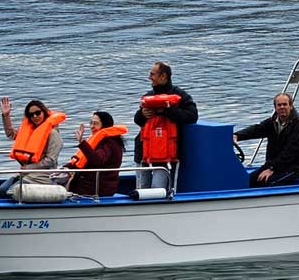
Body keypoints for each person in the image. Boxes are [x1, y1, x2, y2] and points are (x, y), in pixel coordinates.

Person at [134, 61, 198, 190]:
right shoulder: (148, 96)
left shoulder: (181, 96)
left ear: (163, 76)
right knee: (142, 188)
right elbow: (138, 120)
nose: (149, 77)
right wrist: (143, 113)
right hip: (144, 153)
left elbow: (192, 117)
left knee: (159, 189)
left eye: (152, 74)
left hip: (166, 155)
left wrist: (166, 111)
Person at [233, 92, 299, 188]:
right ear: (275, 108)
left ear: (291, 106)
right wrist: (237, 136)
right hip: (273, 165)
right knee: (246, 180)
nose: (282, 107)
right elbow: (257, 129)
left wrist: (272, 169)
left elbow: (291, 152)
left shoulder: (298, 126)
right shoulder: (272, 122)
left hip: (292, 168)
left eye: (285, 104)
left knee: (266, 182)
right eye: (279, 105)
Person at [0, 97, 64, 198]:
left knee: (11, 192)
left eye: (38, 113)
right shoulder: (30, 131)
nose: (35, 116)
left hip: (43, 174)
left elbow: (51, 160)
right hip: (26, 172)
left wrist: (28, 167)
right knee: (1, 190)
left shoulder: (53, 134)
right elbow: (11, 134)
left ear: (44, 112)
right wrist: (6, 116)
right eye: (31, 115)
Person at [61, 111, 127, 196]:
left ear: (105, 125)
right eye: (91, 123)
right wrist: (67, 167)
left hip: (98, 188)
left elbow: (97, 160)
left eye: (95, 124)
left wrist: (82, 142)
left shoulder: (109, 143)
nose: (92, 126)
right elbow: (82, 159)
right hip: (89, 184)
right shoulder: (98, 140)